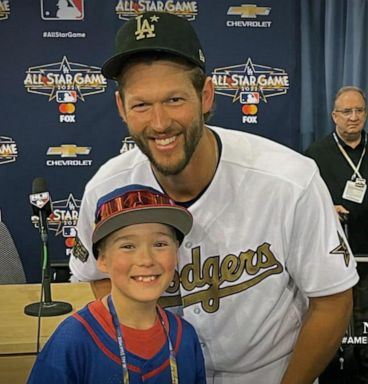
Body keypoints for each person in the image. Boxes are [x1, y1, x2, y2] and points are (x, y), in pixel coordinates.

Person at [69, 12, 359, 384]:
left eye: (174, 99)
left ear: (205, 95)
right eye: (141, 105)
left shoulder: (289, 180)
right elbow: (97, 277)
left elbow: (333, 300)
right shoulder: (106, 189)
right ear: (122, 108)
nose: (159, 123)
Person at [28, 184, 206, 383]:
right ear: (102, 259)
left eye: (160, 244)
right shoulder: (73, 341)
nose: (146, 259)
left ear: (176, 255)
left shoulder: (186, 337)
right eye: (128, 246)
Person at [305, 86, 368, 383]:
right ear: (334, 116)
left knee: (365, 329)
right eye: (347, 111)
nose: (354, 117)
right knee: (336, 332)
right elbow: (304, 202)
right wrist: (326, 207)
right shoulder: (315, 155)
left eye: (359, 110)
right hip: (335, 258)